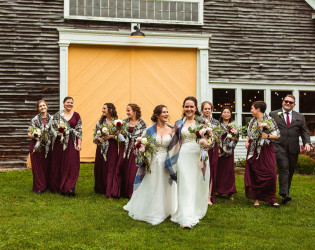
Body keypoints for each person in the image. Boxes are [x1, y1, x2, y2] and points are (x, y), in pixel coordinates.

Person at [124, 105, 177, 225]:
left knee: (167, 185)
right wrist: (142, 151)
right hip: (153, 162)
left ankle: (168, 208)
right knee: (154, 185)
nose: (166, 114)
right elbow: (140, 144)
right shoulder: (149, 130)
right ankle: (154, 210)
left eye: (167, 112)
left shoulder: (171, 130)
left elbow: (175, 147)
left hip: (167, 162)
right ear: (157, 115)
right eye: (163, 112)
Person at [165, 96, 210, 229]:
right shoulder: (179, 123)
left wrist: (208, 145)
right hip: (183, 156)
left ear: (196, 108)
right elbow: (174, 141)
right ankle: (186, 216)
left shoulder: (202, 122)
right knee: (185, 184)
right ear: (183, 108)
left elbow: (210, 138)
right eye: (186, 106)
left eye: (191, 107)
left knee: (197, 184)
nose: (189, 109)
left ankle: (195, 209)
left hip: (198, 156)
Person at [269, 95, 311, 204]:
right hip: (278, 146)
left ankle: (285, 194)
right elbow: (268, 128)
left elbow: (304, 131)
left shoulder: (300, 116)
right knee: (284, 168)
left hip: (293, 149)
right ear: (283, 102)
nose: (288, 103)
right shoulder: (273, 114)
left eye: (290, 102)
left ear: (294, 105)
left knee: (290, 171)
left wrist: (307, 143)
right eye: (286, 101)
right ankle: (284, 193)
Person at [245, 101, 280, 208]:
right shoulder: (252, 121)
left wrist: (267, 136)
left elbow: (277, 135)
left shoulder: (269, 120)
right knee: (255, 173)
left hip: (266, 149)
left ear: (258, 109)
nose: (251, 110)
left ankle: (271, 198)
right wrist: (247, 141)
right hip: (253, 149)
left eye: (252, 108)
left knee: (271, 173)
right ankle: (256, 198)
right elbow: (249, 134)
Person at [112, 104, 146, 199]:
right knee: (120, 168)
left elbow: (143, 138)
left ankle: (131, 192)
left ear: (135, 111)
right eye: (126, 111)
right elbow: (118, 136)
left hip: (135, 149)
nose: (127, 113)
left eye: (128, 111)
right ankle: (118, 191)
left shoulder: (142, 124)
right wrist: (118, 133)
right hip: (124, 148)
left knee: (132, 171)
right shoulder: (124, 122)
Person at [50, 96, 82, 196]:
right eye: (68, 102)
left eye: (71, 103)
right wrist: (57, 133)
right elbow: (52, 128)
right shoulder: (57, 115)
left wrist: (79, 143)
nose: (69, 104)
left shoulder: (76, 115)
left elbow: (79, 131)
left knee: (72, 165)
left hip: (72, 143)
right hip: (60, 143)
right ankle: (59, 186)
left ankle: (69, 187)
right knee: (59, 164)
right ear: (63, 103)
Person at [93, 103, 119, 197]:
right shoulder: (99, 123)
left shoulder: (117, 122)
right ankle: (101, 187)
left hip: (112, 147)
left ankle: (110, 188)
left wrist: (111, 136)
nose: (102, 110)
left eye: (104, 108)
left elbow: (121, 136)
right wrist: (98, 138)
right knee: (101, 166)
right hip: (101, 148)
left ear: (110, 109)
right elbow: (95, 136)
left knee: (111, 167)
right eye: (102, 108)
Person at [27, 100, 52, 194]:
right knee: (38, 167)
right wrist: (35, 136)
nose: (42, 107)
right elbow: (29, 134)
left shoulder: (52, 119)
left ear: (47, 106)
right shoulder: (34, 120)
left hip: (48, 146)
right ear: (38, 108)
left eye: (44, 105)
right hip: (37, 146)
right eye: (40, 106)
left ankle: (48, 184)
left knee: (47, 165)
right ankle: (39, 187)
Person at [216, 106, 237, 200]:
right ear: (221, 114)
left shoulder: (234, 126)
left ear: (231, 114)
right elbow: (216, 137)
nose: (226, 114)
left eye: (228, 112)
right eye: (224, 112)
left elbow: (237, 137)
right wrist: (218, 147)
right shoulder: (218, 125)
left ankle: (230, 192)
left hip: (230, 151)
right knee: (220, 171)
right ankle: (219, 190)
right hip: (220, 151)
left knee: (229, 171)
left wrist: (234, 139)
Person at [200, 101, 220, 205]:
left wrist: (213, 140)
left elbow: (218, 137)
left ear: (211, 110)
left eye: (209, 109)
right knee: (201, 171)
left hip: (212, 149)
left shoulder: (216, 122)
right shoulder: (198, 121)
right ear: (201, 110)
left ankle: (209, 196)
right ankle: (200, 195)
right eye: (205, 109)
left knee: (211, 171)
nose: (207, 111)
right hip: (201, 148)